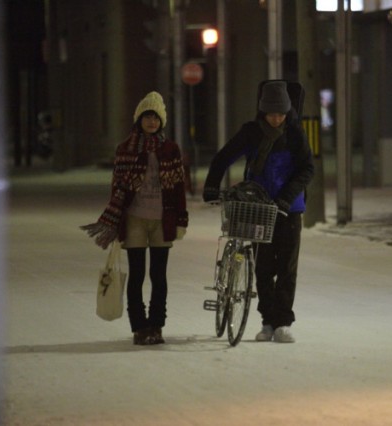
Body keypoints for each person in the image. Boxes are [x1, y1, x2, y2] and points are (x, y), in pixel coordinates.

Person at [203, 81, 314, 343]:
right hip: (258, 207)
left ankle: (283, 322)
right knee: (263, 267)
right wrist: (210, 186)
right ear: (262, 112)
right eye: (271, 114)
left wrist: (286, 198)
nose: (276, 119)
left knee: (287, 267)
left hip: (289, 209)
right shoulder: (251, 132)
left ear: (287, 112)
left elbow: (307, 169)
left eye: (281, 114)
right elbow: (223, 157)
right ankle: (267, 321)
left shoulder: (295, 133)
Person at [82, 91, 188, 345]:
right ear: (138, 120)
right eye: (146, 116)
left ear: (162, 121)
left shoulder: (170, 149)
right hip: (135, 220)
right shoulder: (126, 149)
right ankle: (139, 327)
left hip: (163, 219)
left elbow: (178, 188)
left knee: (159, 276)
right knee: (138, 274)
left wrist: (181, 219)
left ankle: (157, 326)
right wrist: (116, 220)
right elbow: (117, 187)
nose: (151, 122)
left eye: (155, 117)